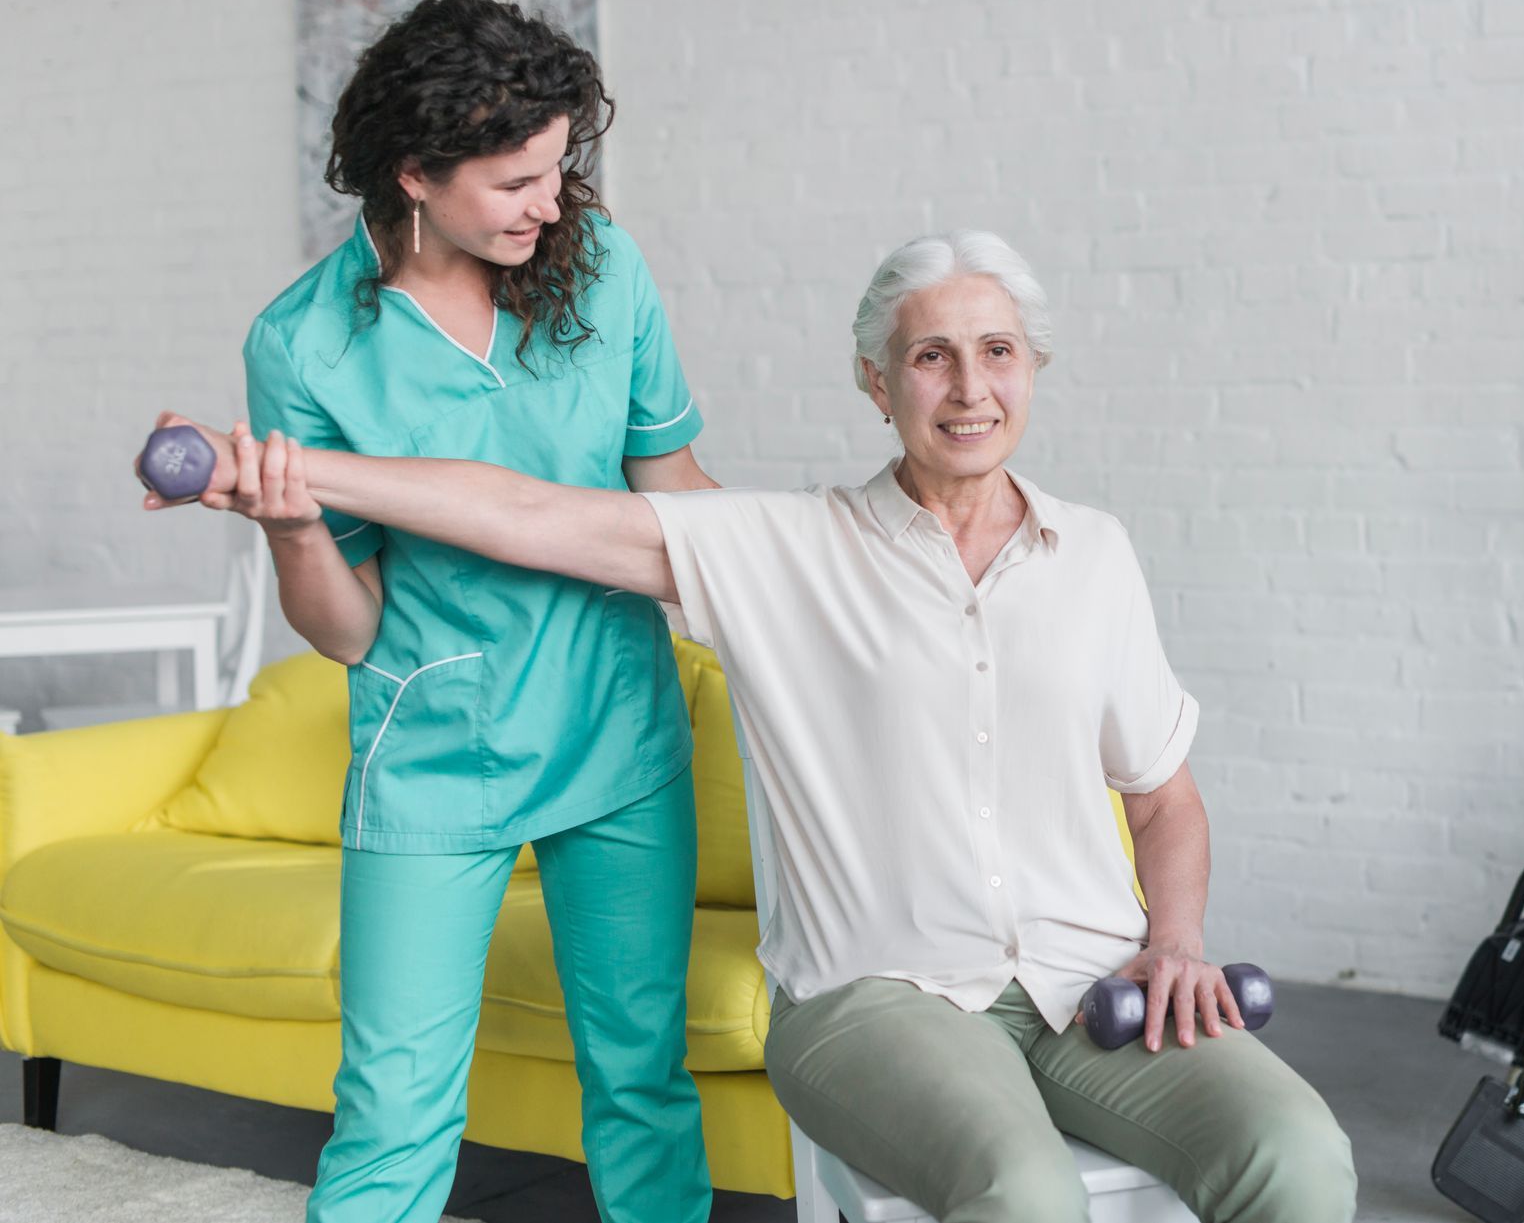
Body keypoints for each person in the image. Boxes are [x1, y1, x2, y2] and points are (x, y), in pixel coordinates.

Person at [149, 230, 1358, 1223]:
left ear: (1034, 370)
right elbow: (520, 510)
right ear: (877, 386)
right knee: (1022, 1195)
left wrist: (1181, 940)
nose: (971, 387)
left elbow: (1165, 798)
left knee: (1300, 1154)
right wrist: (289, 474)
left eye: (998, 352)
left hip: (1092, 977)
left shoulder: (1096, 555)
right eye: (931, 357)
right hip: (880, 999)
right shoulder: (784, 550)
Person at [213, 0, 714, 1223]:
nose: (552, 203)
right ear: (415, 177)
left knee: (643, 1082)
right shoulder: (307, 344)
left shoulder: (601, 264)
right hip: (436, 749)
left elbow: (678, 498)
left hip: (619, 728)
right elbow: (344, 627)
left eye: (561, 167)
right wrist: (289, 523)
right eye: (516, 180)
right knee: (393, 1113)